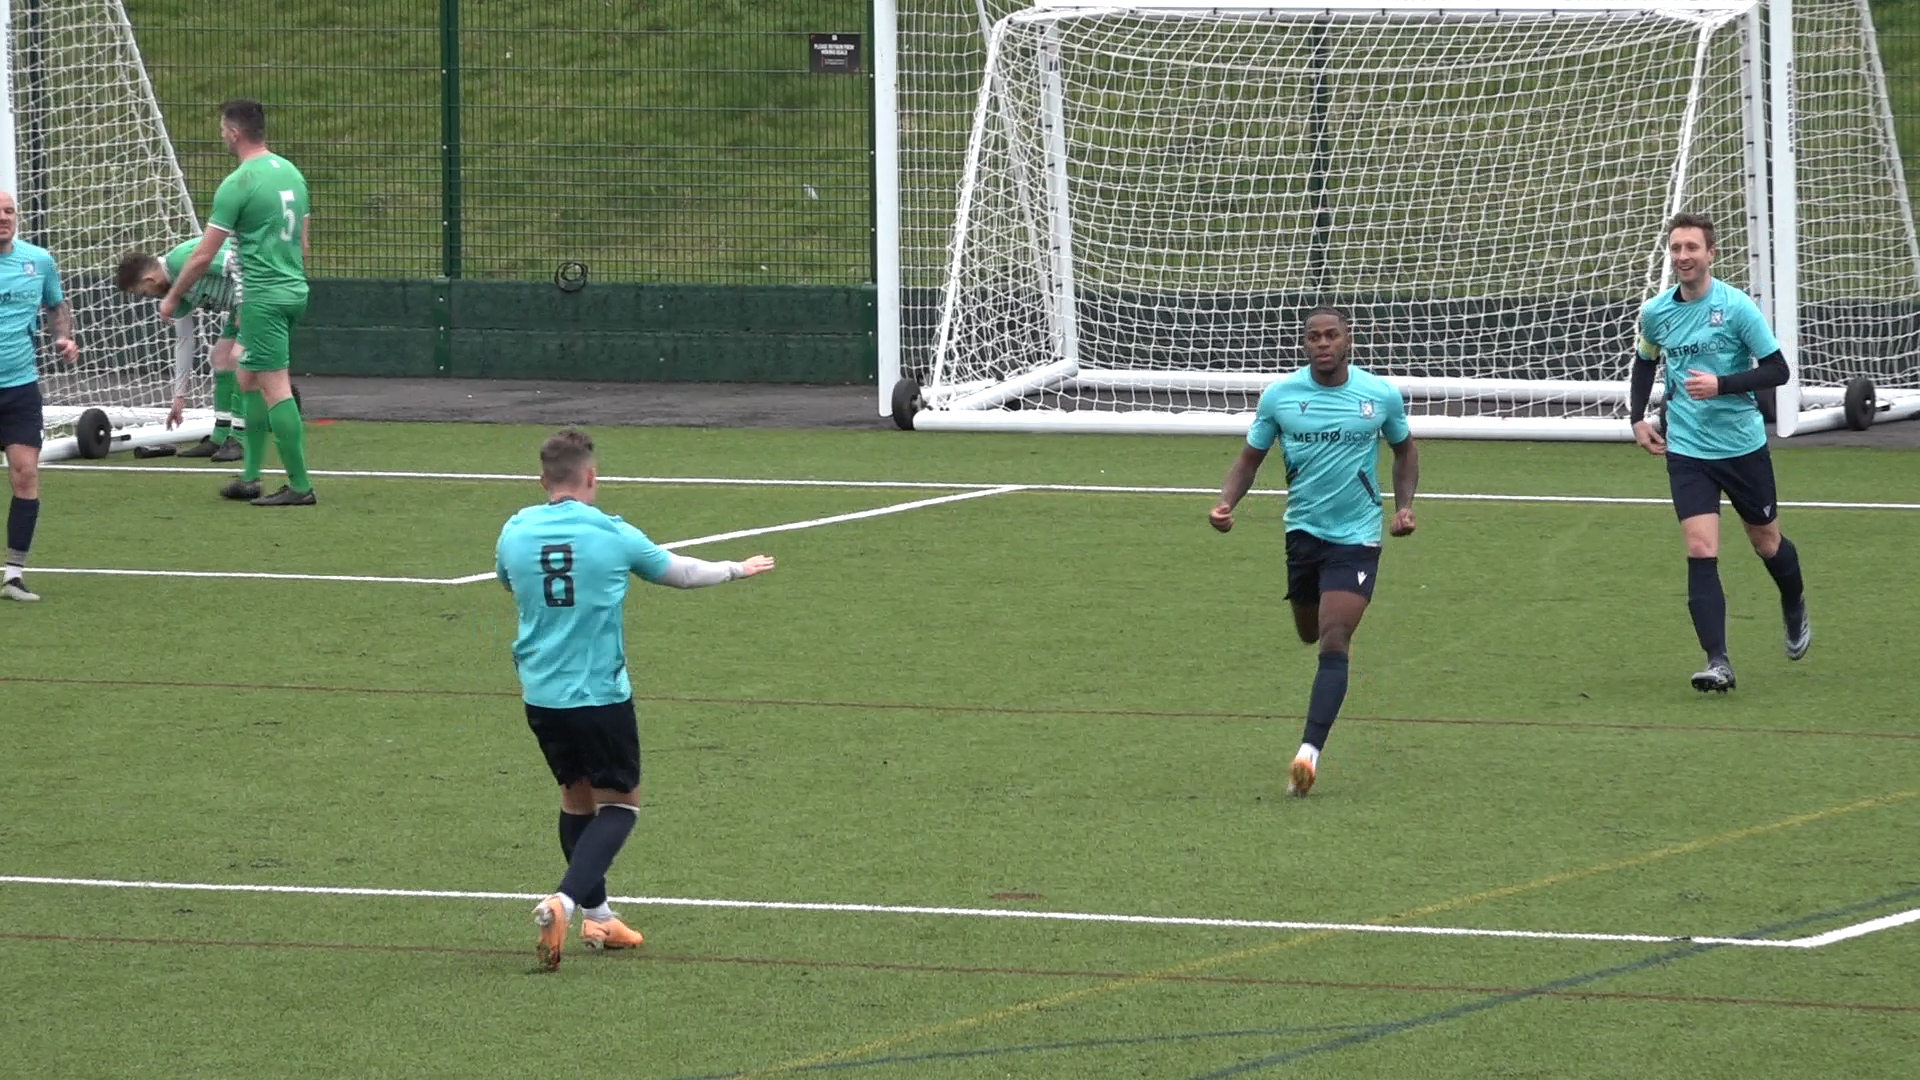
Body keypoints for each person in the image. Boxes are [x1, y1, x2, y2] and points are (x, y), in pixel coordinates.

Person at [496, 429, 775, 971]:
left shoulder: (513, 531)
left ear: (541, 481)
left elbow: (508, 582)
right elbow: (680, 574)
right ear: (591, 477)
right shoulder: (612, 533)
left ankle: (599, 918)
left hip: (541, 695)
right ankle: (565, 901)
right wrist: (737, 568)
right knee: (620, 806)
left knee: (574, 799)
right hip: (600, 695)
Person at [1210, 307, 1417, 797]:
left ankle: (1308, 754)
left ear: (1348, 340)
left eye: (1331, 335)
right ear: (1305, 345)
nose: (1322, 343)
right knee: (1308, 628)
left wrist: (1404, 507)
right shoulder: (1281, 398)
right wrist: (1224, 502)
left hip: (1357, 536)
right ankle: (1311, 735)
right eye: (1313, 337)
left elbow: (1405, 450)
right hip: (1302, 534)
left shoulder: (1379, 395)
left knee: (1333, 636)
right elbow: (1249, 459)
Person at [1629, 211, 1809, 692]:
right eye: (1676, 248)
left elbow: (1777, 370)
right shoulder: (1656, 313)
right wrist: (1637, 418)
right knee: (1700, 547)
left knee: (1766, 543)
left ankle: (1793, 602)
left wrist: (1723, 384)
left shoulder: (1736, 309)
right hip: (1686, 449)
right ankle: (1718, 662)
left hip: (1741, 447)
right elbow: (1645, 361)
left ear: (1711, 254)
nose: (1683, 256)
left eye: (1692, 248)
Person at [160, 98, 315, 506]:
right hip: (293, 288)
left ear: (234, 133)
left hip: (262, 297)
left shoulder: (239, 182)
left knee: (274, 387)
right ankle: (249, 476)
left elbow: (202, 256)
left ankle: (300, 487)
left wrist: (173, 296)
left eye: (222, 131)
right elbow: (303, 242)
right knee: (246, 378)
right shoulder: (293, 174)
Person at [0, 191, 79, 602]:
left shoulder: (39, 261)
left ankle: (14, 574)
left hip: (19, 387)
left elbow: (56, 305)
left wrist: (64, 338)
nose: (4, 218)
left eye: (9, 211)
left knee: (25, 473)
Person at [116, 240, 245, 460]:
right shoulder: (179, 290)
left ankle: (240, 438)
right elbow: (184, 340)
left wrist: (246, 302)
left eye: (145, 293)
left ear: (149, 279)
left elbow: (240, 263)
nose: (150, 297)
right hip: (241, 306)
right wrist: (179, 397)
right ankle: (220, 436)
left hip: (262, 296)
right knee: (220, 358)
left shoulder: (180, 260)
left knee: (238, 358)